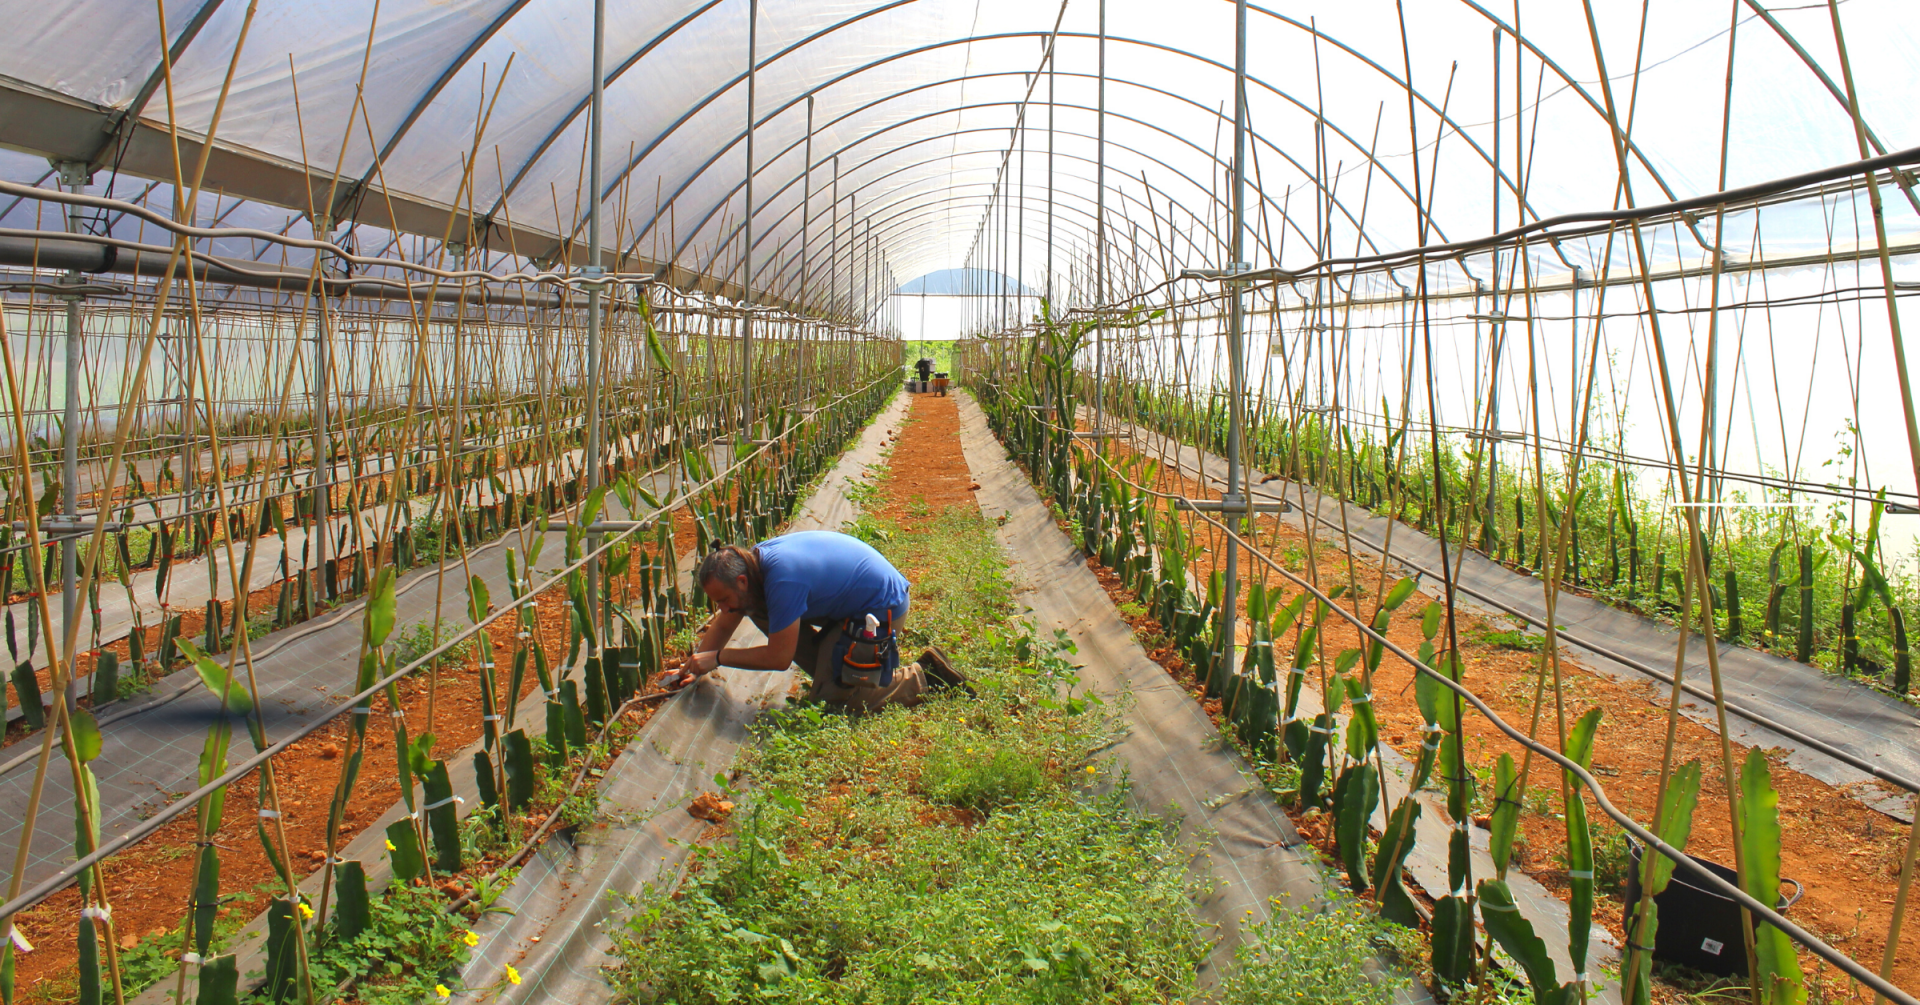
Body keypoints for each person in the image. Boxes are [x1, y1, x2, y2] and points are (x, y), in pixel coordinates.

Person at [661, 531, 967, 710]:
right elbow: (726, 623)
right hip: (848, 608)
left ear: (740, 580)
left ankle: (926, 676)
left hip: (881, 609)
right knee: (755, 609)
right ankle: (833, 668)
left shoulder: (782, 580)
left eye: (723, 600)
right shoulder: (752, 570)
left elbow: (780, 658)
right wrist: (694, 665)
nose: (724, 610)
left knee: (833, 700)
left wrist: (716, 658)